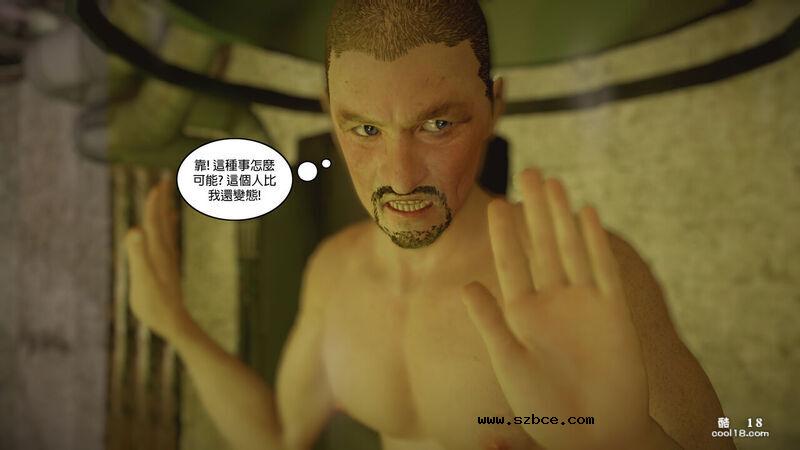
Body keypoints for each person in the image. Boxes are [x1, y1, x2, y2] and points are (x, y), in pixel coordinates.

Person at [124, 1, 734, 449]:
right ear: (331, 118)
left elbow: (724, 440)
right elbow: (279, 437)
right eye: (366, 129)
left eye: (437, 125)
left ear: (494, 106)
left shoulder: (583, 276)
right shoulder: (333, 272)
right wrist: (177, 327)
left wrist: (626, 441)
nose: (401, 177)